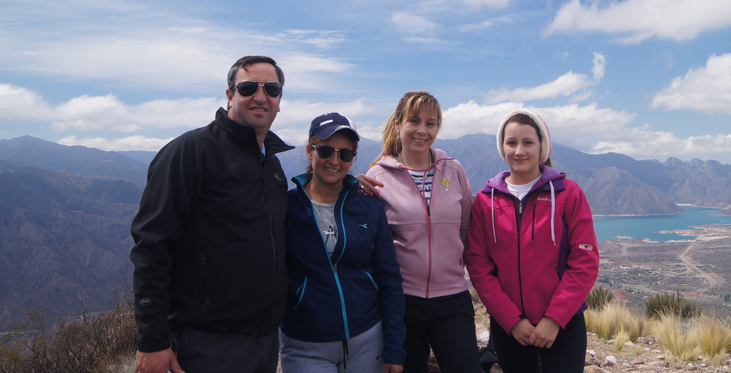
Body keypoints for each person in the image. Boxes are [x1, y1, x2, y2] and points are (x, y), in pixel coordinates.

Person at [130, 56, 293, 373]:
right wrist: (152, 340)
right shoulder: (190, 151)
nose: (261, 97)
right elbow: (151, 246)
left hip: (265, 343)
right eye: (248, 87)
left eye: (271, 89)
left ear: (279, 100)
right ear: (230, 95)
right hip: (206, 345)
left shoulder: (271, 166)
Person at [465, 109, 599, 373]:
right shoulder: (485, 200)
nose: (519, 151)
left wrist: (554, 319)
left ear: (542, 148)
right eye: (511, 142)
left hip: (563, 323)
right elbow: (478, 265)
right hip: (510, 327)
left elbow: (585, 262)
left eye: (528, 142)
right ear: (502, 148)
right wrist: (511, 320)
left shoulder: (568, 194)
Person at [363, 90, 481, 373]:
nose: (422, 130)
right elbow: (371, 243)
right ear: (398, 124)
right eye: (414, 120)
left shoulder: (453, 170)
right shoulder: (378, 177)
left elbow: (465, 230)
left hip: (452, 299)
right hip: (401, 303)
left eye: (431, 123)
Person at [280, 112, 406, 373]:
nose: (335, 161)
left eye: (345, 155)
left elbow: (389, 278)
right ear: (309, 150)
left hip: (367, 339)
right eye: (325, 151)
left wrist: (395, 345)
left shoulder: (369, 209)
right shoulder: (284, 208)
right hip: (305, 343)